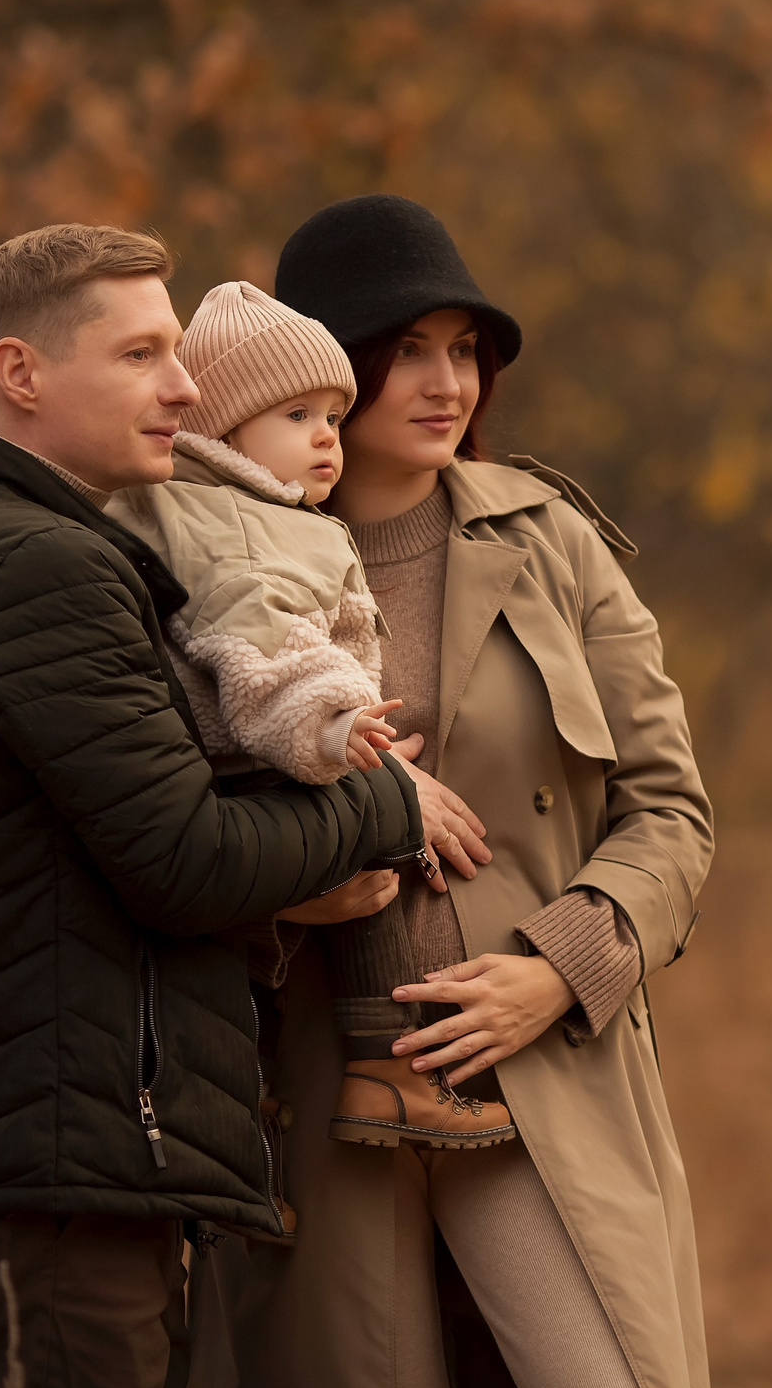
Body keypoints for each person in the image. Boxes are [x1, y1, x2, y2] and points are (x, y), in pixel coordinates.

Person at [0, 223, 434, 1388]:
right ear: (21, 374)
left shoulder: (22, 544)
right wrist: (388, 806)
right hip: (58, 1163)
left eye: (178, 351)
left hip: (69, 1156)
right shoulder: (34, 566)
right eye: (140, 354)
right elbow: (182, 859)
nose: (184, 387)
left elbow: (114, 850)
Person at [186, 196, 718, 1388]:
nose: (448, 382)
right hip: (316, 1107)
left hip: (537, 1080)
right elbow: (170, 830)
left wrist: (558, 969)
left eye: (465, 349)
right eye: (408, 348)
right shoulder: (210, 567)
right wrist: (296, 887)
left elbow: (672, 812)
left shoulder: (553, 540)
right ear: (328, 366)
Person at [107, 278, 514, 1147]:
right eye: (298, 417)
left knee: (318, 913)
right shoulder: (240, 528)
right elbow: (263, 640)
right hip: (269, 746)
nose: (325, 436)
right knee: (383, 853)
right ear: (222, 431)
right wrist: (341, 728)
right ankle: (381, 1071)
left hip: (263, 752)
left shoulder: (258, 516)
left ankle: (285, 1107)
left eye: (333, 414)